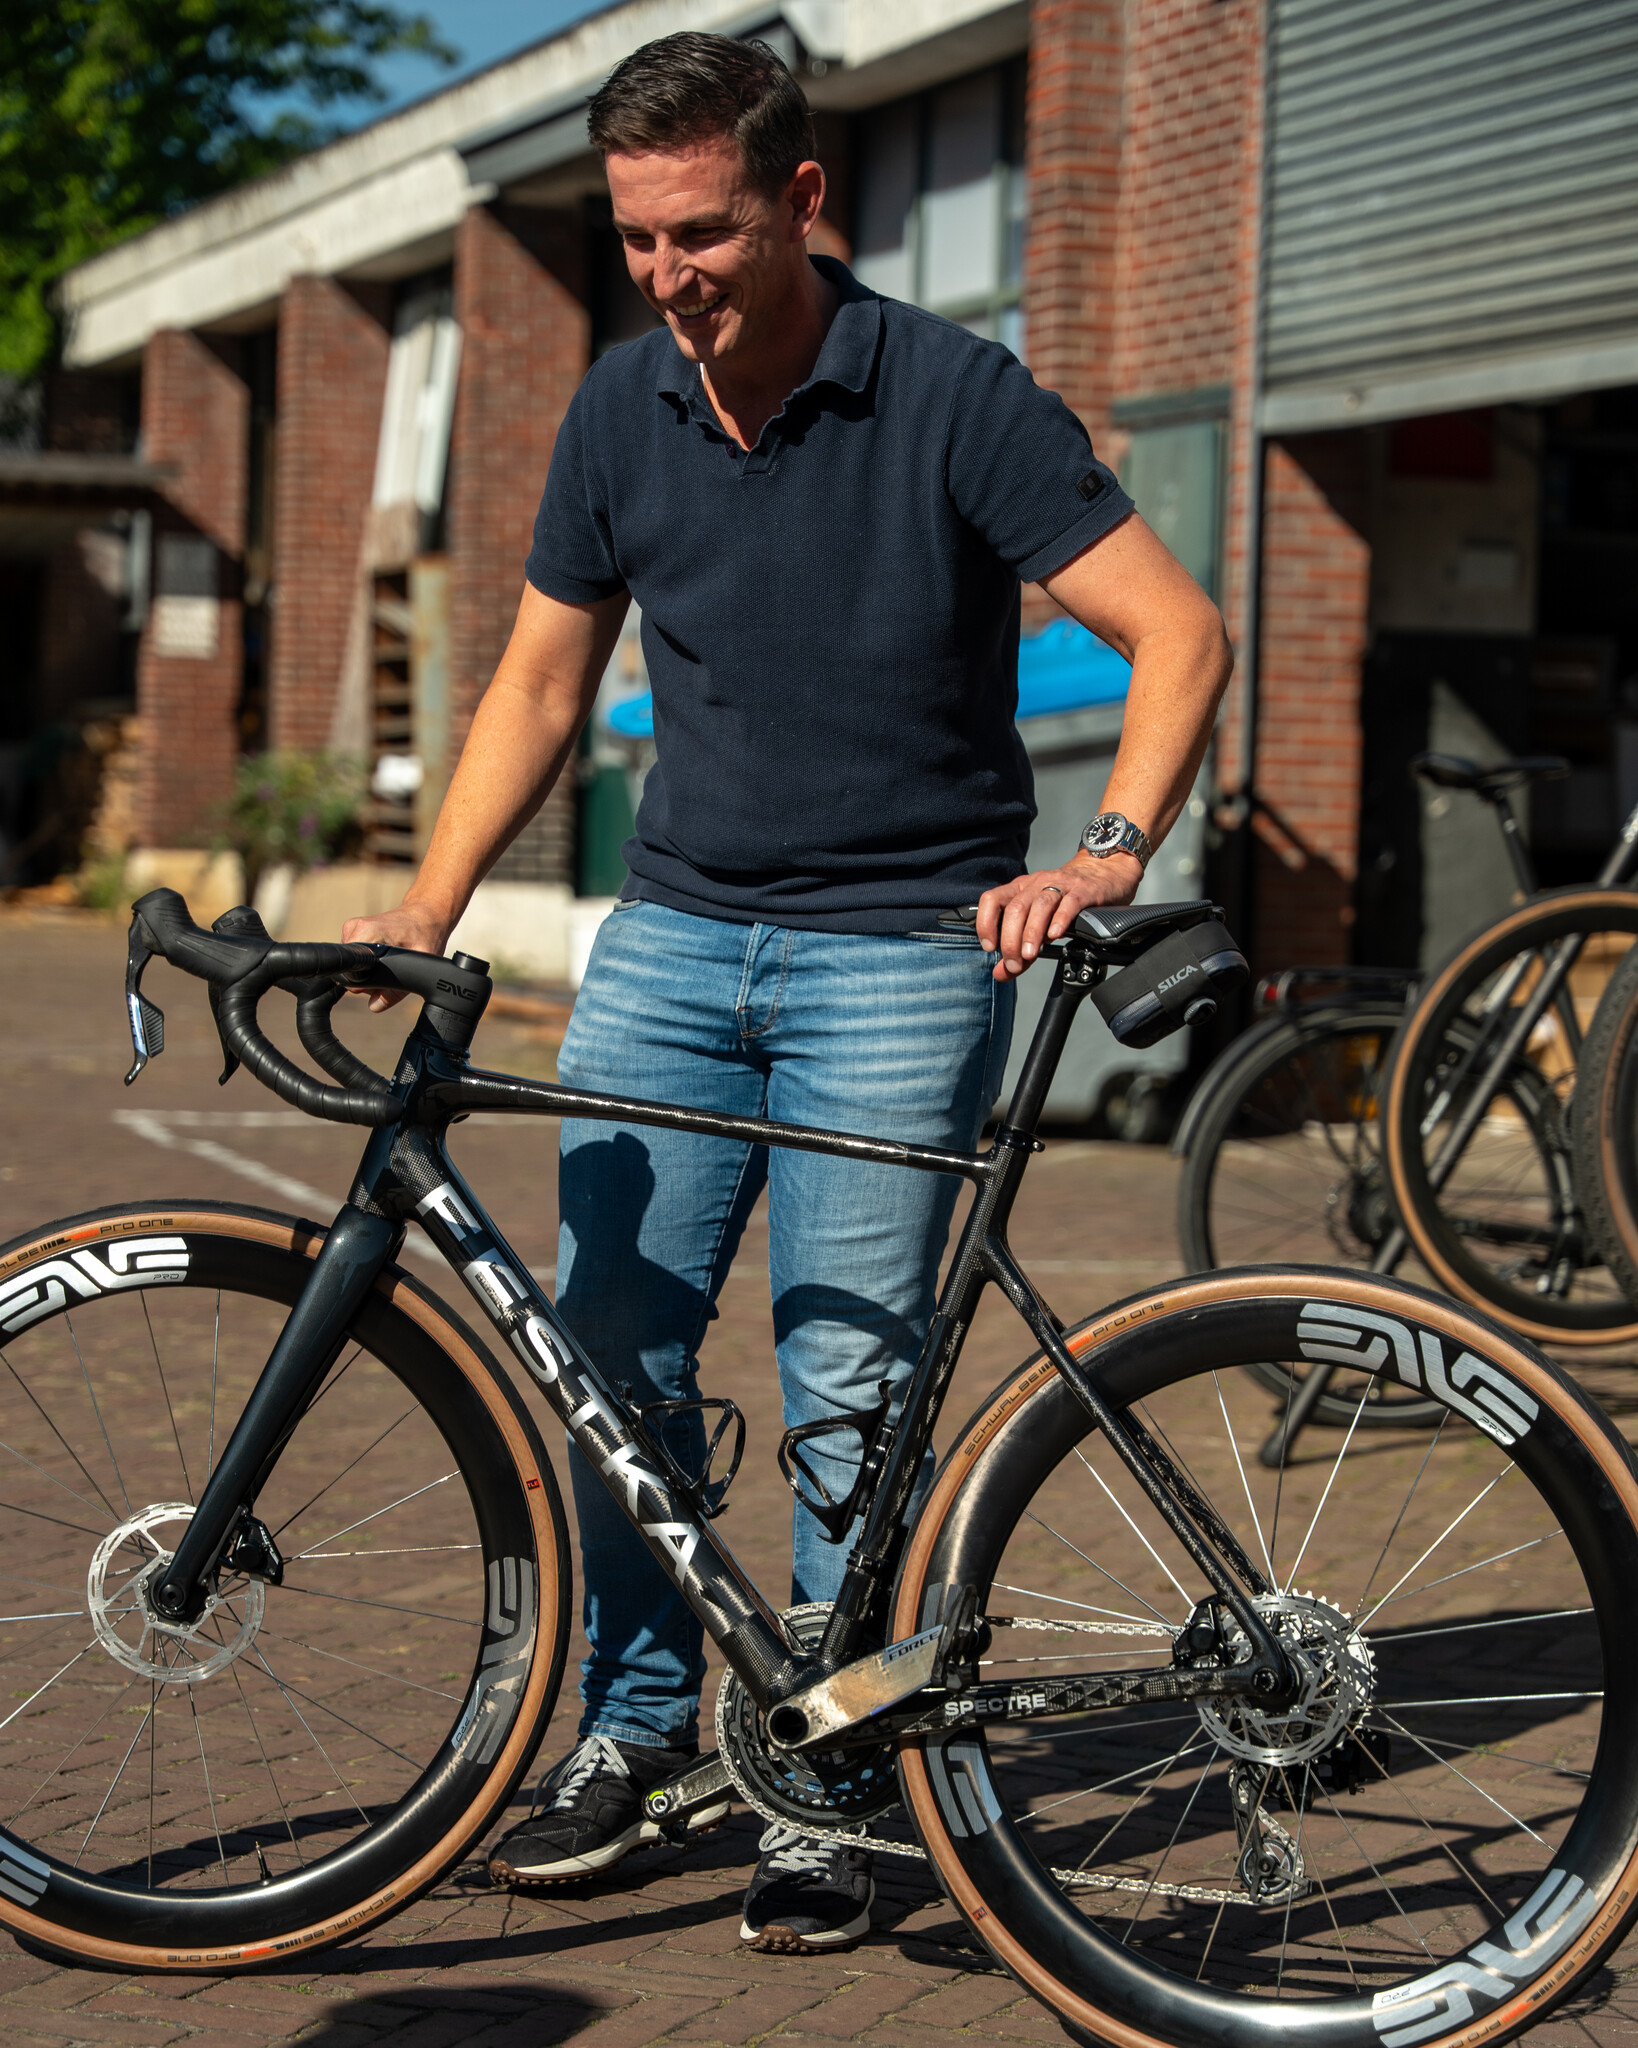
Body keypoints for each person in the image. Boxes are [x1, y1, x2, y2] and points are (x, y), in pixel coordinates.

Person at [343, 31, 1231, 1955]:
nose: (670, 276)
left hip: (900, 959)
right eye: (638, 240)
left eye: (706, 233)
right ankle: (634, 1727)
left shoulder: (953, 397)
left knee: (848, 1391)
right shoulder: (618, 410)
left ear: (801, 199)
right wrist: (425, 907)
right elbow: (540, 682)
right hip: (669, 942)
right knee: (611, 1363)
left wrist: (1106, 854)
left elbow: (1176, 631)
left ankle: (828, 1773)